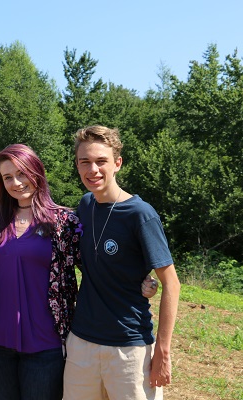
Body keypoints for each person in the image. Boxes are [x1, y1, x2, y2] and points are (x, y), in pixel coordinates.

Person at [0, 144, 159, 400]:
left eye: (22, 173)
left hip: (46, 344)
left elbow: (99, 266)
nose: (16, 182)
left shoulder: (64, 223)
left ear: (36, 173)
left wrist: (142, 280)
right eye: (8, 177)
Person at [64, 125, 181, 400]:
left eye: (101, 161)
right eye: (85, 162)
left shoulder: (140, 214)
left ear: (117, 163)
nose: (92, 169)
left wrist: (163, 352)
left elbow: (172, 284)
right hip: (82, 344)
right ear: (78, 165)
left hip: (129, 349)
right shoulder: (85, 206)